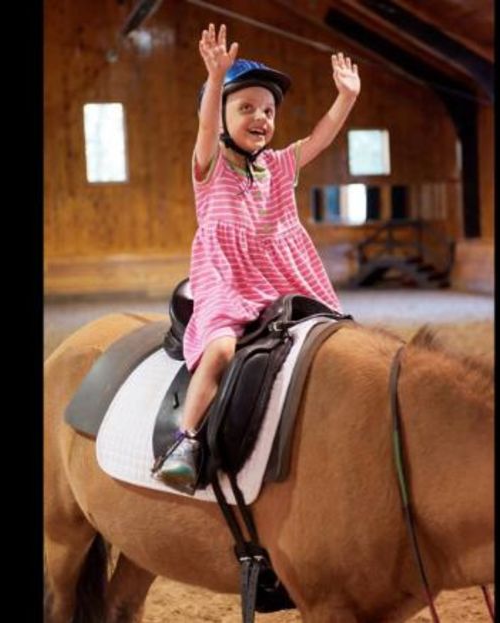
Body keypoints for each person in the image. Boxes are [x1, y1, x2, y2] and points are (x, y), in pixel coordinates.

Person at [151, 23, 361, 493]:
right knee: (222, 347)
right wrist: (215, 75)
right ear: (222, 117)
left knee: (337, 335)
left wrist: (345, 98)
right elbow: (206, 127)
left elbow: (322, 137)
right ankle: (186, 439)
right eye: (245, 107)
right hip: (228, 275)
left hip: (282, 271)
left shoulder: (280, 165)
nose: (261, 117)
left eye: (267, 110)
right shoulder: (210, 166)